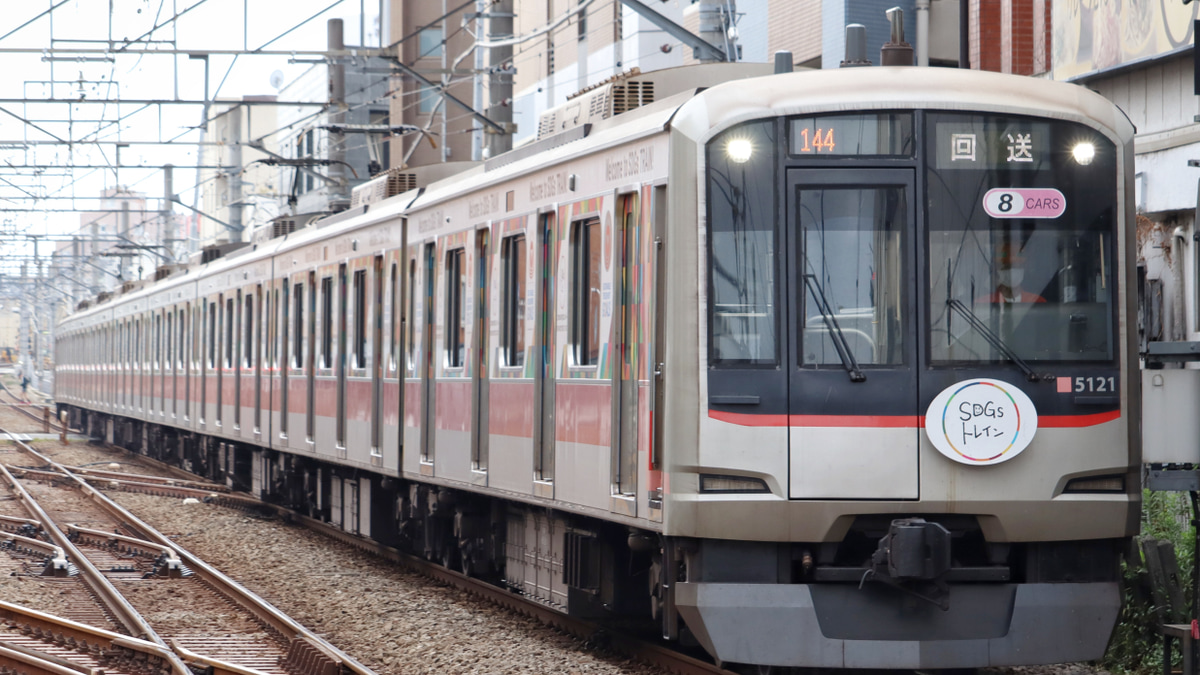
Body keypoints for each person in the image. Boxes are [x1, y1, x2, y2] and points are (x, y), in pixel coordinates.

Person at [978, 243, 1046, 304]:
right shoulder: (983, 303)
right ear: (996, 270)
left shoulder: (1037, 301)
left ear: (1024, 268)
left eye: (1016, 266)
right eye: (1006, 267)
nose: (1011, 271)